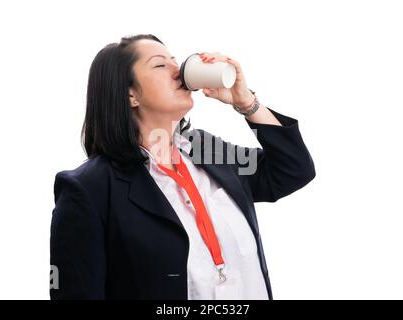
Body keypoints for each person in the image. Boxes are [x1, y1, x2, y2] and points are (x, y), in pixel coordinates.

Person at [50, 34, 316, 300]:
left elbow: (293, 169)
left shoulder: (208, 151)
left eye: (175, 61)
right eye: (160, 65)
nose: (178, 72)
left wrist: (246, 102)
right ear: (130, 93)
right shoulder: (89, 189)